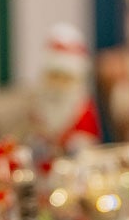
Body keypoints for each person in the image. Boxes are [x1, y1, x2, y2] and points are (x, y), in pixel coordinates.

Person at [28, 23, 101, 168]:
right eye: (54, 77)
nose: (59, 85)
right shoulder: (38, 107)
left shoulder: (82, 110)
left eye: (66, 78)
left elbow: (89, 144)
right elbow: (32, 135)